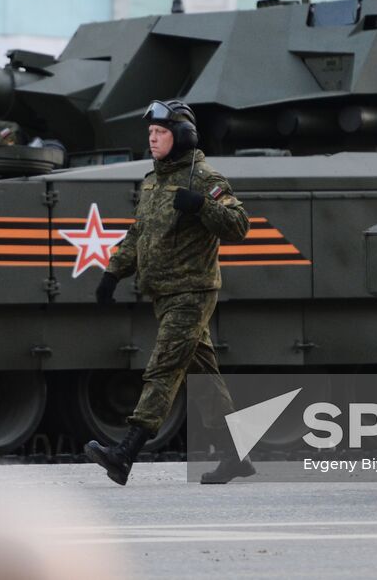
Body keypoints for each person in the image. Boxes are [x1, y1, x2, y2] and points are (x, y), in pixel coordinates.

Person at [85, 100, 252, 486]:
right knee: (205, 378)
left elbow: (238, 224)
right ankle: (236, 455)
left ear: (182, 136)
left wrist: (201, 206)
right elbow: (139, 233)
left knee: (163, 369)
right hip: (164, 292)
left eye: (160, 133)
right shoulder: (154, 180)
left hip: (191, 291)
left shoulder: (203, 177)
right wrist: (113, 272)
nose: (153, 139)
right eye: (150, 133)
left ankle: (125, 453)